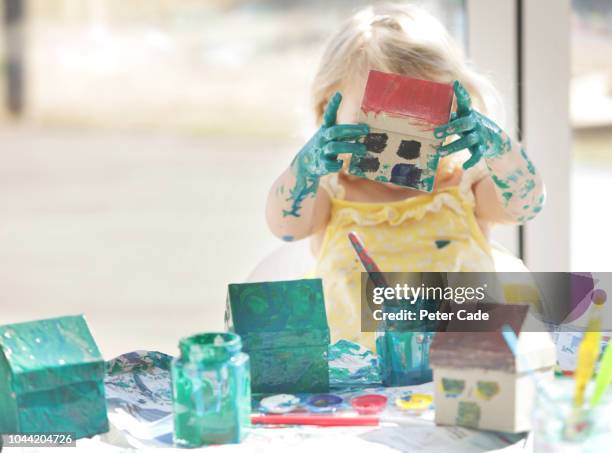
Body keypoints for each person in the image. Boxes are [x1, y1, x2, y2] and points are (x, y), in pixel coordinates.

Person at [265, 4, 544, 350]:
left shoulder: (463, 186)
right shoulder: (330, 192)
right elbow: (285, 227)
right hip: (357, 392)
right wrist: (305, 167)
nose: (399, 141)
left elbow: (525, 206)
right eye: (376, 120)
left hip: (459, 381)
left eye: (420, 119)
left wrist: (499, 148)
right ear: (328, 111)